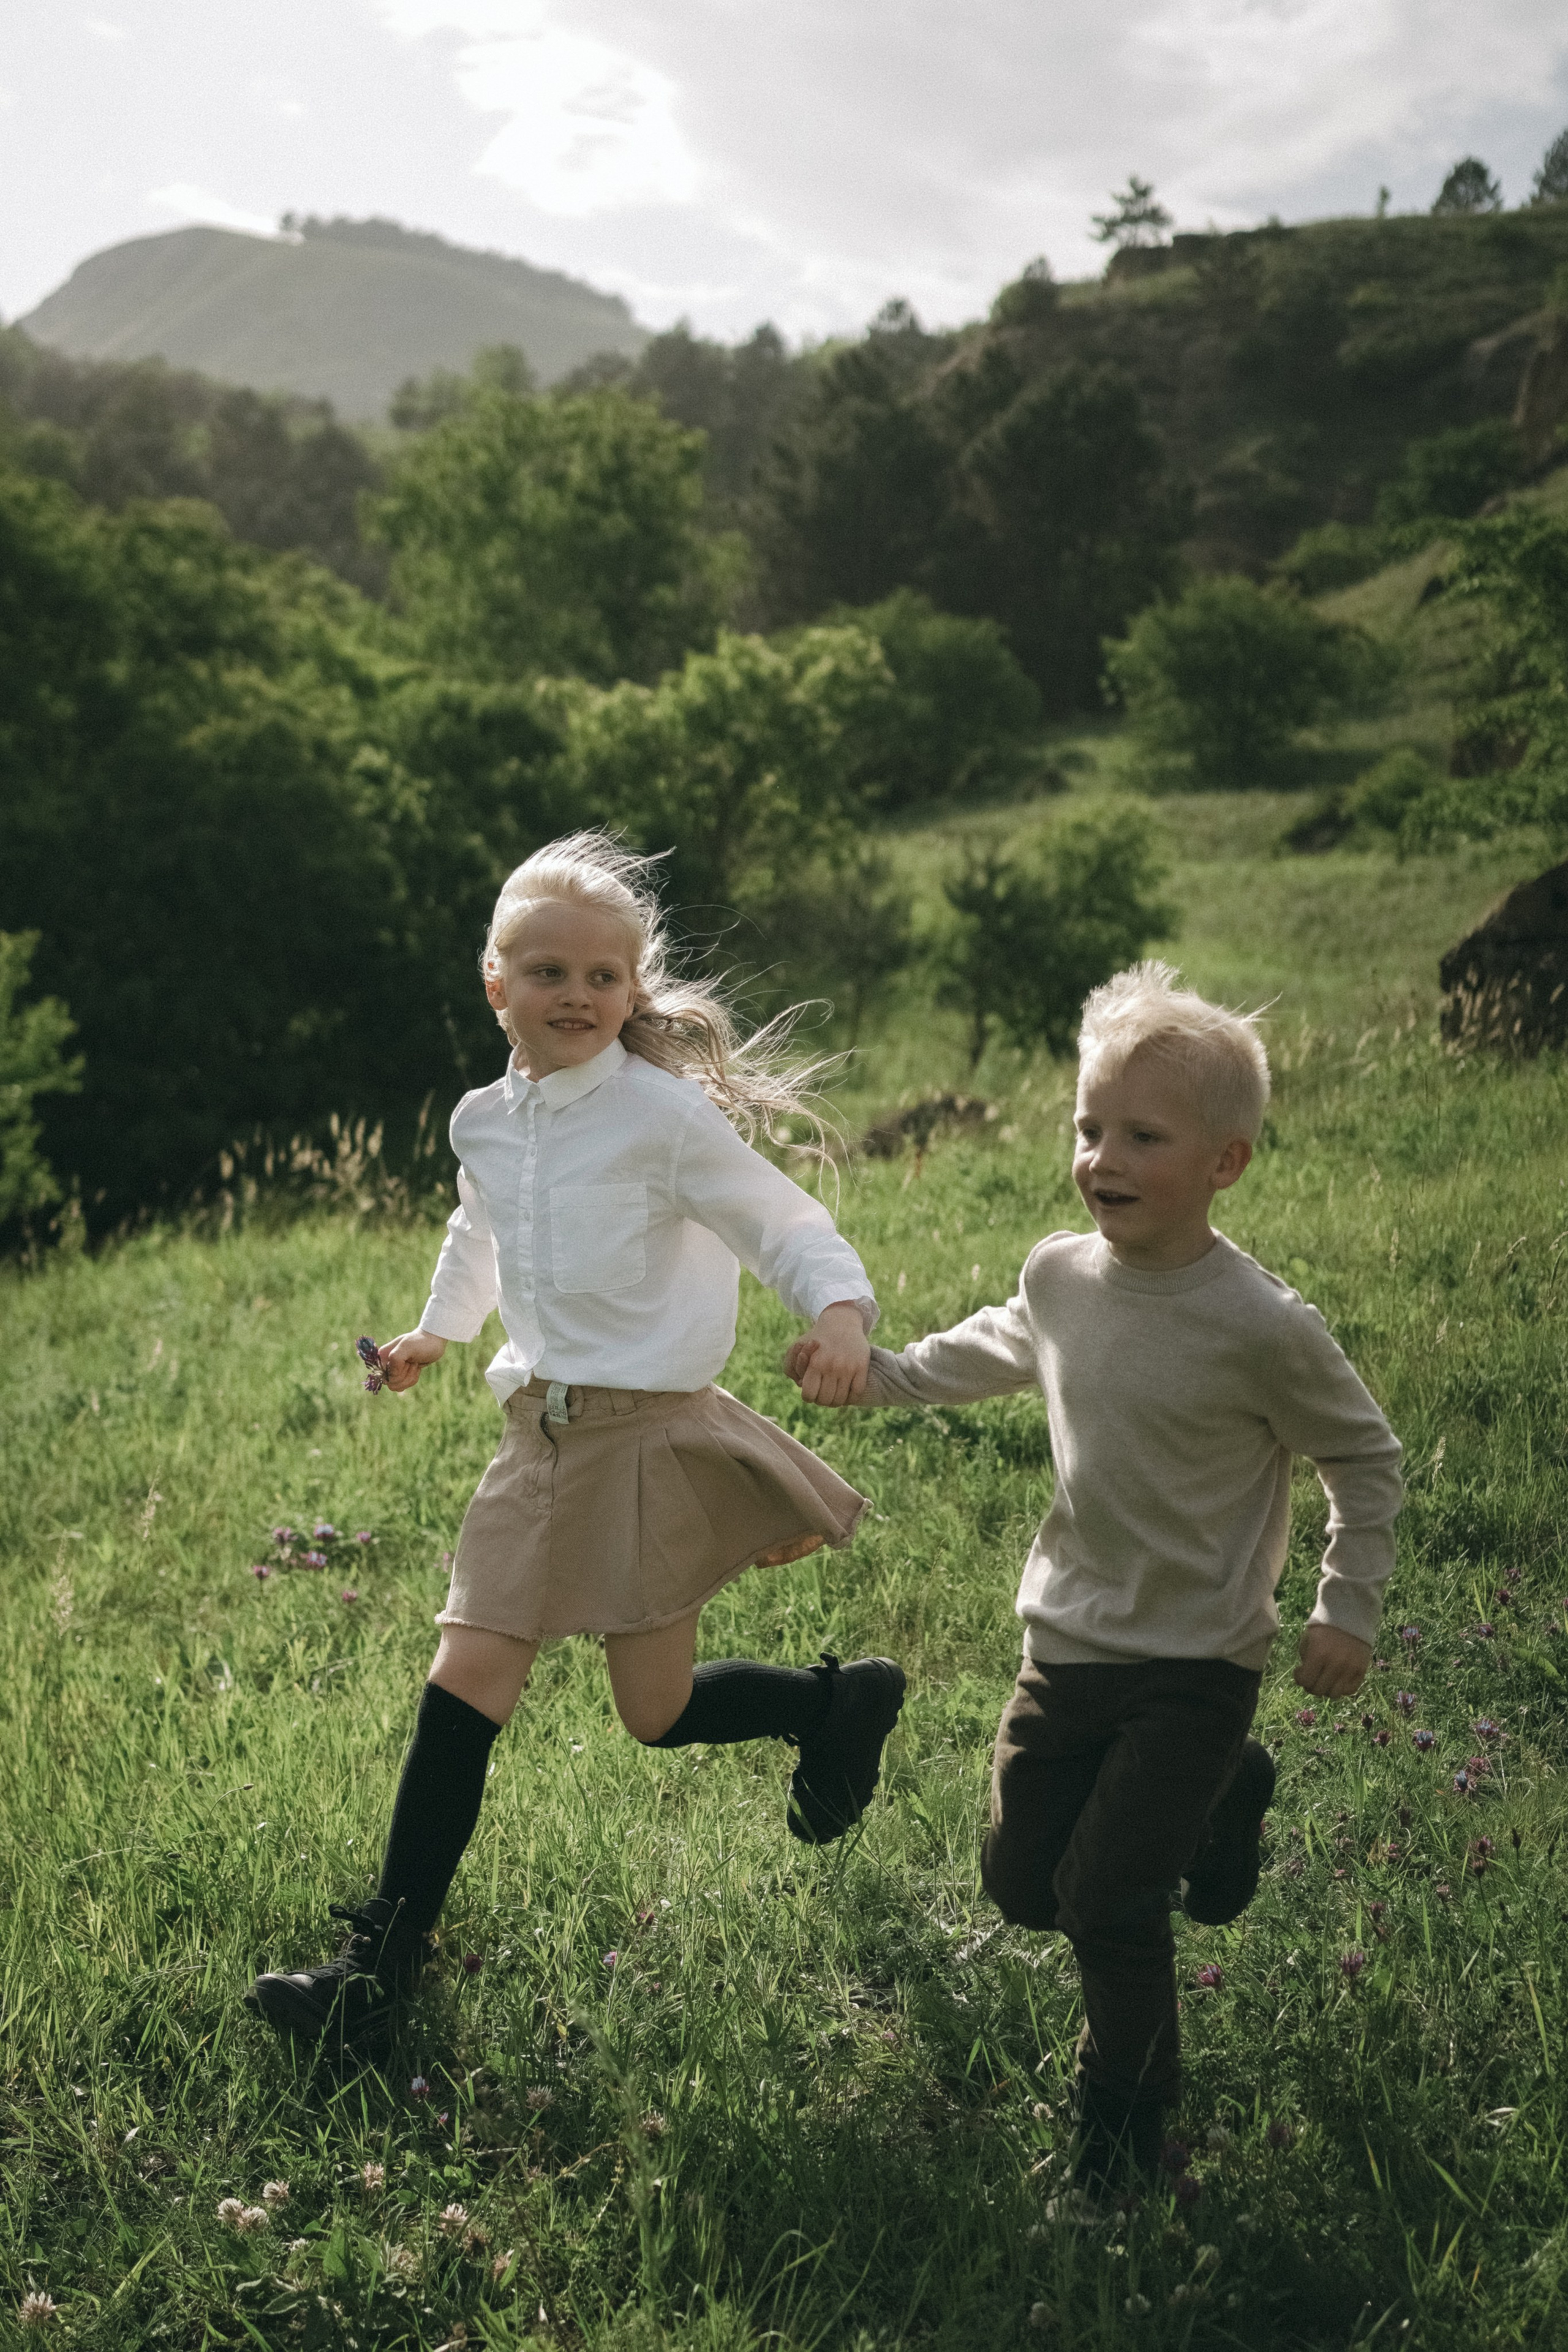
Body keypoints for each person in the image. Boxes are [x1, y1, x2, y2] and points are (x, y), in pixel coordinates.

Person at [246, 833, 905, 2044]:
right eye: (546, 973)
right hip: (535, 1436)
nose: (578, 997)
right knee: (468, 1672)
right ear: (494, 984)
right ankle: (377, 1970)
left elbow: (782, 1223)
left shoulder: (661, 1119)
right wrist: (436, 1332)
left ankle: (830, 1704)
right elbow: (479, 1232)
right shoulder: (485, 1123)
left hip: (647, 1439)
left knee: (650, 1711)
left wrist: (840, 1313)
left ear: (632, 991)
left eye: (605, 978)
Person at [788, 962, 1402, 2198]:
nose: (1099, 1156)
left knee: (1107, 1901)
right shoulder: (1060, 1275)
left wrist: (1343, 1603)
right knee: (1023, 1887)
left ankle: (1123, 2130)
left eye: (1140, 1136)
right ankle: (1228, 1794)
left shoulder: (1262, 1326)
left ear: (1224, 1163)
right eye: (1087, 1128)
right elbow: (997, 1346)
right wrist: (881, 1372)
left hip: (1195, 1660)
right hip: (1062, 1646)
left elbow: (1364, 1459)